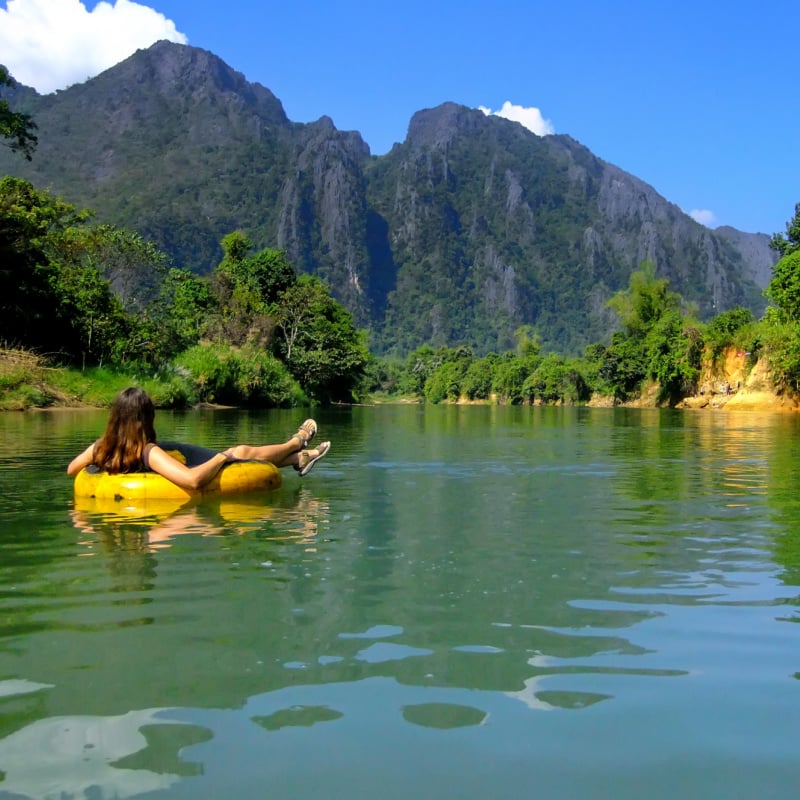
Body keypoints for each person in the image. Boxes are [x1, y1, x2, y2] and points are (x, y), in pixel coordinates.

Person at [66, 387, 331, 490]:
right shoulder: (148, 452)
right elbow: (192, 480)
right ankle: (296, 444)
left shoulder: (100, 447)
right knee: (239, 451)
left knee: (240, 451)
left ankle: (299, 457)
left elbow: (71, 470)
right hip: (195, 487)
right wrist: (222, 457)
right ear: (146, 418)